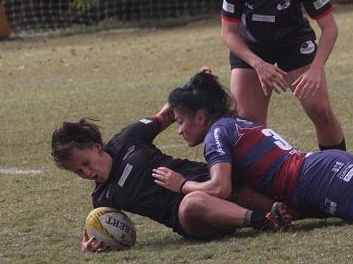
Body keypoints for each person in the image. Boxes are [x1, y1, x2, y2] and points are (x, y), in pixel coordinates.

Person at [153, 70, 353, 223]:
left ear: (200, 116)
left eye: (180, 121)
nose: (178, 130)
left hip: (319, 179)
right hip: (325, 164)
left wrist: (182, 185)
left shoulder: (216, 136)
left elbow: (220, 187)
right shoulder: (237, 123)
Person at [50, 103, 292, 253]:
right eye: (78, 172)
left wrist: (193, 89)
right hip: (195, 221)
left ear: (96, 146)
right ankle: (263, 220)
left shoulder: (127, 139)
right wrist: (91, 246)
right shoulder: (102, 198)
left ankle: (291, 210)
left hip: (214, 184)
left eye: (85, 163)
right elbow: (99, 230)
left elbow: (166, 114)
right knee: (193, 201)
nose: (86, 173)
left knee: (230, 182)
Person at [220, 0, 345, 152]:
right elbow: (228, 33)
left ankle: (338, 169)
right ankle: (262, 183)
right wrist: (259, 64)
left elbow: (330, 28)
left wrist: (316, 68)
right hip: (252, 47)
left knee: (321, 111)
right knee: (249, 127)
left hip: (293, 42)